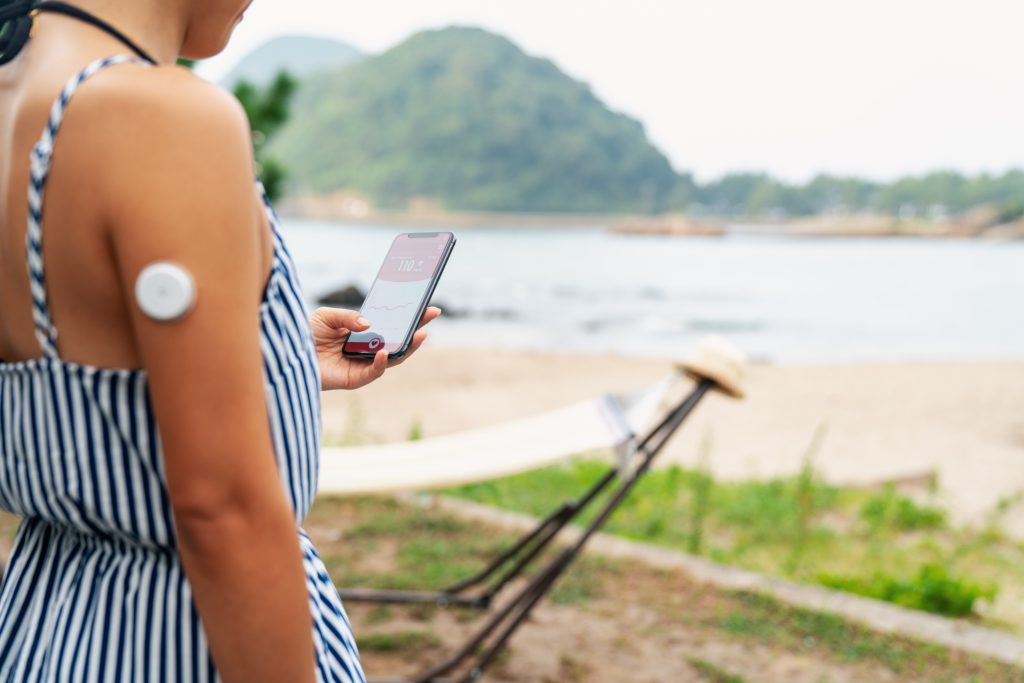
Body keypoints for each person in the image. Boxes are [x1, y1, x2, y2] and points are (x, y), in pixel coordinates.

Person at [0, 1, 439, 680]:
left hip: (46, 623)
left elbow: (79, 370)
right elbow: (222, 509)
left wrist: (278, 355)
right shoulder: (160, 115)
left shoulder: (15, 98)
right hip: (176, 634)